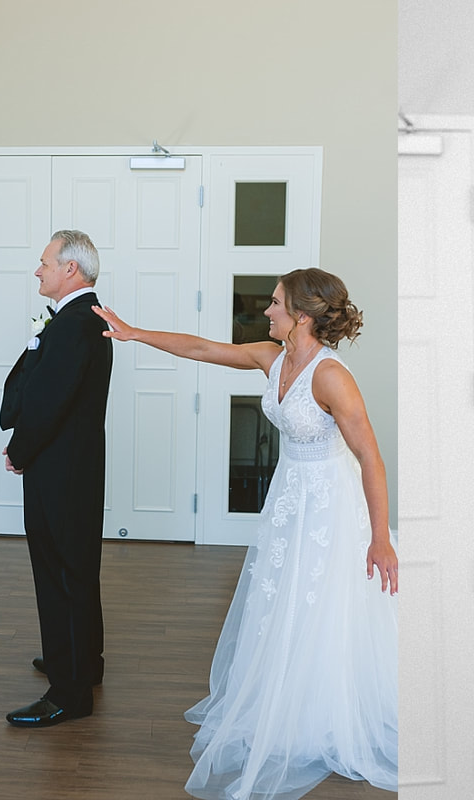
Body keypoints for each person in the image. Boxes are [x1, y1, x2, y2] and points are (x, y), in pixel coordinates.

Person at [92, 267, 398, 800]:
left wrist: (379, 538)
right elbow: (203, 349)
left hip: (328, 504)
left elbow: (370, 456)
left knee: (321, 608)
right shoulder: (271, 357)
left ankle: (323, 719)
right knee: (280, 604)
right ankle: (285, 707)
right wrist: (134, 332)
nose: (267, 310)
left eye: (276, 303)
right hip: (289, 499)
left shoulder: (331, 377)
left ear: (301, 314)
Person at [0, 230, 113, 727]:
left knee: (59, 571)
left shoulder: (71, 325)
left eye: (44, 262)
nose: (38, 270)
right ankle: (82, 660)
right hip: (77, 464)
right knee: (77, 566)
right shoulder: (86, 317)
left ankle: (68, 693)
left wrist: (20, 451)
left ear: (71, 269)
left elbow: (49, 401)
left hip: (59, 466)